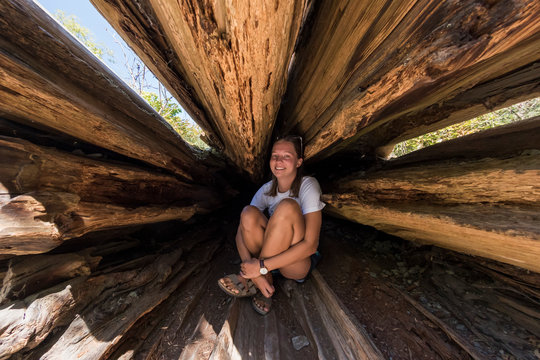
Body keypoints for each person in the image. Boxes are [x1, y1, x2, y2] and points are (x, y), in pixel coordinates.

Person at [218, 135, 325, 315]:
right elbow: (240, 233)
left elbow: (310, 245)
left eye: (286, 156)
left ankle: (256, 279)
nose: (278, 161)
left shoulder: (308, 185)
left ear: (298, 162)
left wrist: (259, 268)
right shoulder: (267, 189)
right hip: (267, 262)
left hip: (295, 263)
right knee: (248, 213)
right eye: (275, 156)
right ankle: (262, 280)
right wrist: (250, 267)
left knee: (288, 206)